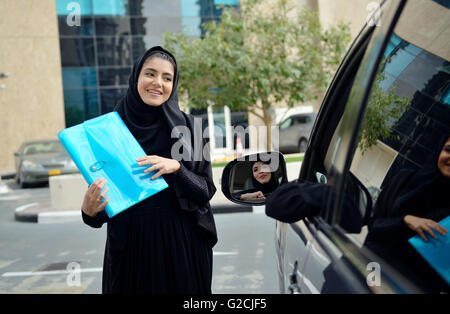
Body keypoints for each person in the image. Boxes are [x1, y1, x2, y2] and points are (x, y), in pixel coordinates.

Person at [80, 46, 218, 294]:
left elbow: (206, 190)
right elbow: (106, 200)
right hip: (131, 249)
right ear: (136, 77)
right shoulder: (109, 130)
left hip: (183, 247)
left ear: (174, 85)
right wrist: (89, 212)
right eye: (150, 74)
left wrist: (177, 169)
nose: (158, 83)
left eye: (167, 78)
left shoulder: (192, 129)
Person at [364, 134, 450, 293]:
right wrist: (405, 221)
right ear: (439, 150)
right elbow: (374, 228)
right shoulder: (404, 180)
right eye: (448, 150)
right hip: (369, 275)